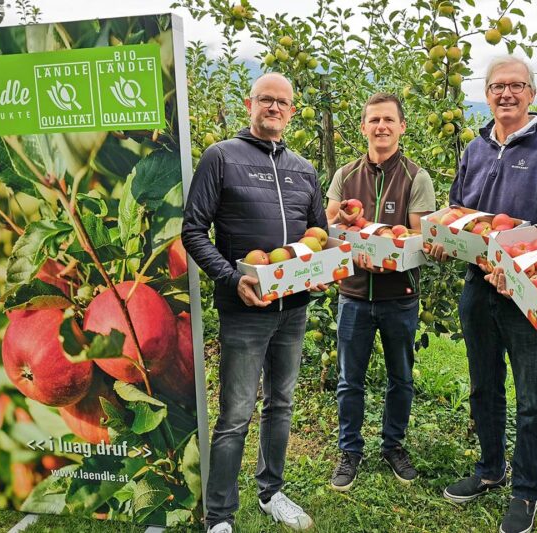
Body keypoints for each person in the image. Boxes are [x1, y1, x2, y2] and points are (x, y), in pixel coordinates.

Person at [433, 56, 537, 533]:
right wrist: (443, 234)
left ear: (532, 93)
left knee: (533, 396)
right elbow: (461, 211)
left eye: (516, 86)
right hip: (479, 285)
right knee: (483, 384)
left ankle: (528, 490)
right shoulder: (475, 148)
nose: (506, 94)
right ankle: (491, 468)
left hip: (530, 292)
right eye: (497, 86)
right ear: (487, 92)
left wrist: (520, 266)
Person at [182, 73, 327, 533]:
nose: (275, 108)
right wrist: (230, 277)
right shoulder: (222, 157)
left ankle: (271, 491)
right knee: (236, 413)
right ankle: (219, 515)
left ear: (292, 111)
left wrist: (319, 272)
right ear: (250, 103)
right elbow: (193, 229)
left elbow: (316, 236)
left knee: (281, 403)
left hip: (294, 308)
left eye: (284, 102)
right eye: (267, 99)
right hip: (245, 309)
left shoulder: (304, 167)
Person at [325, 93, 435, 492]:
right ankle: (350, 450)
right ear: (363, 127)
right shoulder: (345, 175)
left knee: (400, 377)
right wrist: (356, 250)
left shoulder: (416, 177)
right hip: (353, 293)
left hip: (399, 295)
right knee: (348, 379)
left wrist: (384, 255)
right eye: (374, 120)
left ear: (402, 126)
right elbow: (330, 227)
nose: (381, 126)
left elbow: (418, 238)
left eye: (389, 119)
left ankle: (393, 445)